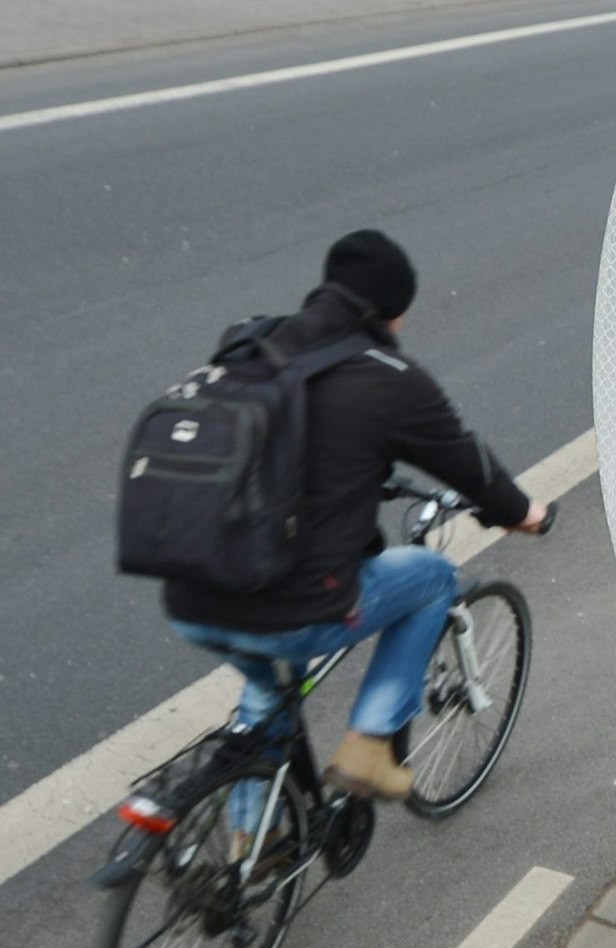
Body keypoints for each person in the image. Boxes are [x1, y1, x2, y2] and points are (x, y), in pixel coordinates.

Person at [166, 230, 549, 802]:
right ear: (392, 312)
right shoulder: (388, 379)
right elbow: (470, 466)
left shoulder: (249, 342)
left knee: (267, 689)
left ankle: (246, 852)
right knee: (433, 578)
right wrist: (524, 515)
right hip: (293, 611)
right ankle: (368, 747)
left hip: (191, 595)